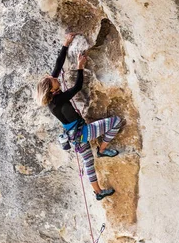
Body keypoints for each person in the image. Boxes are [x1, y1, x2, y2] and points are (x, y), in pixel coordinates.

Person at [36, 32, 124, 200]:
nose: (57, 80)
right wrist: (80, 66)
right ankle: (103, 150)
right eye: (55, 82)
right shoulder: (58, 100)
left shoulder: (52, 96)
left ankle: (98, 193)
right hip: (83, 132)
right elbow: (76, 87)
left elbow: (58, 65)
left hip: (74, 137)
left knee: (89, 163)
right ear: (52, 90)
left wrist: (66, 43)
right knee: (116, 122)